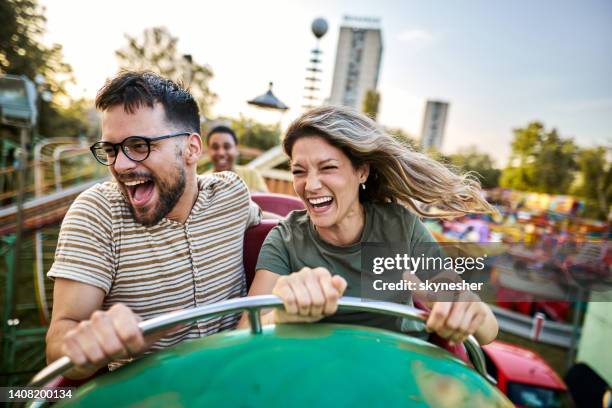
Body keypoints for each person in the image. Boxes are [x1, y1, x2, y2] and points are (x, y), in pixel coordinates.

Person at [45, 71, 261, 379]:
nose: (119, 165)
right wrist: (92, 344)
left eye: (139, 145)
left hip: (233, 381)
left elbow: (283, 229)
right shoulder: (97, 214)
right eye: (111, 150)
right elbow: (57, 344)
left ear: (192, 149)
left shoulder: (232, 195)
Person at [240, 105, 498, 347]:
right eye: (299, 172)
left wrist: (469, 311)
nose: (311, 185)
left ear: (361, 172)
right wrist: (282, 315)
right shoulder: (284, 239)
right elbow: (242, 335)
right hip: (317, 371)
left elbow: (487, 332)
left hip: (396, 365)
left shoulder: (400, 227)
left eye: (328, 167)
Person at [206, 125, 269, 193]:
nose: (221, 153)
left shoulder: (252, 175)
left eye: (227, 147)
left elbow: (265, 200)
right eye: (215, 147)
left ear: (236, 149)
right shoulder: (203, 182)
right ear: (208, 151)